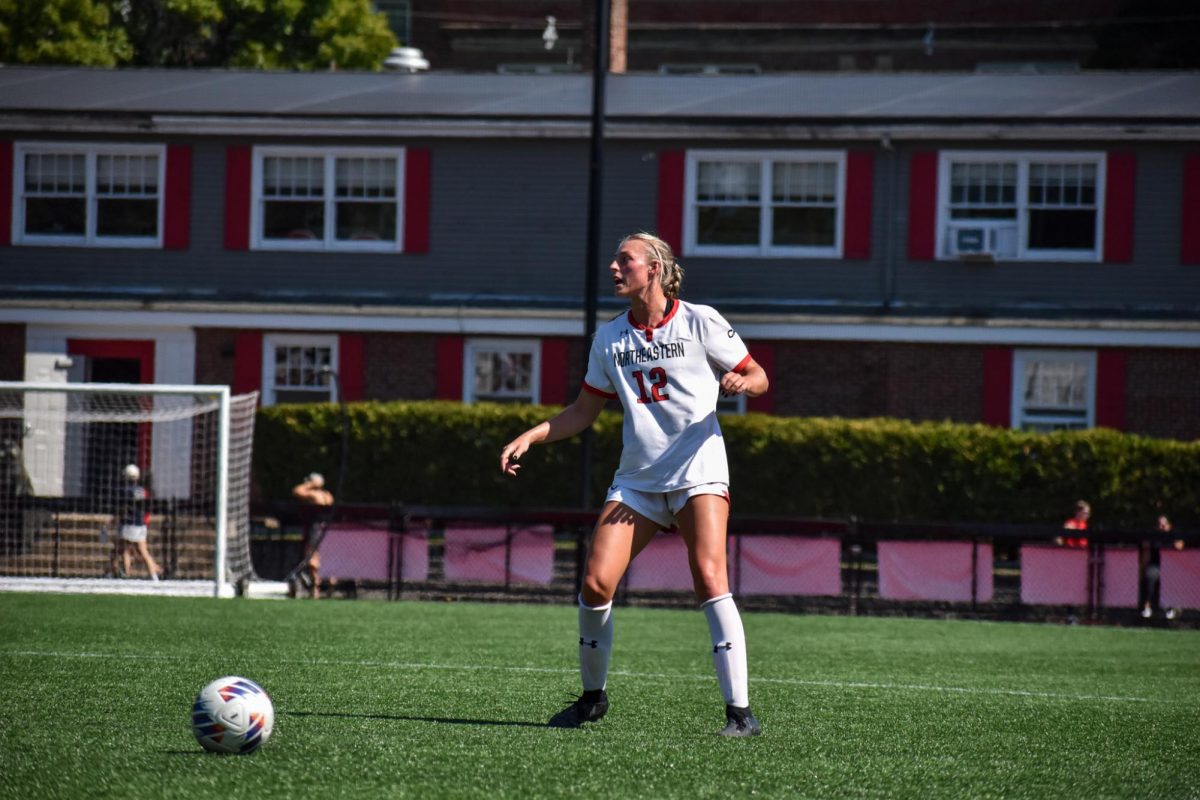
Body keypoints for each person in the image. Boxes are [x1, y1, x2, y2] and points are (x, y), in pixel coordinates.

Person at [499, 232, 769, 737]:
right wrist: (531, 436)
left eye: (625, 259)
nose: (614, 267)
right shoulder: (609, 338)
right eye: (615, 259)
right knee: (596, 584)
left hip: (698, 470)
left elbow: (758, 376)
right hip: (638, 481)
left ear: (656, 270)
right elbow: (583, 412)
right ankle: (592, 700)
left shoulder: (700, 320)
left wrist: (742, 381)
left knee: (710, 578)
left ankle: (741, 715)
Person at [108, 463, 162, 581]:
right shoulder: (141, 490)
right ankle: (154, 576)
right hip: (141, 524)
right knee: (143, 551)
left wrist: (114, 520)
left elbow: (122, 508)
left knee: (119, 550)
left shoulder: (124, 490)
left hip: (128, 524)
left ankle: (119, 573)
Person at [292, 472, 333, 599]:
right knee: (324, 556)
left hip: (315, 529)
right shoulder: (327, 495)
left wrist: (310, 484)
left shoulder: (314, 495)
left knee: (312, 556)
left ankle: (316, 588)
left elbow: (296, 491)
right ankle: (327, 586)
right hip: (326, 528)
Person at [1141, 515, 1184, 620]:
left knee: (1171, 580)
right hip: (1156, 566)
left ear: (1169, 525)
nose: (1161, 527)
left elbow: (1180, 548)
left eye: (1164, 524)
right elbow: (1147, 554)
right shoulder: (1153, 538)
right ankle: (1147, 607)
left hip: (1172, 567)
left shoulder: (1174, 535)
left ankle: (1171, 609)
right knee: (1150, 575)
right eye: (1159, 525)